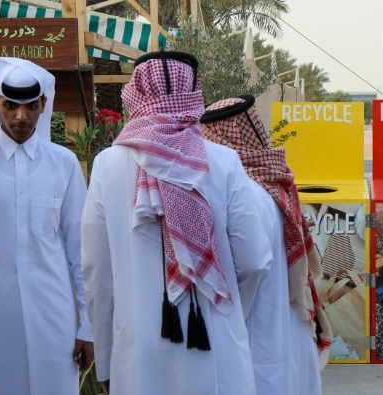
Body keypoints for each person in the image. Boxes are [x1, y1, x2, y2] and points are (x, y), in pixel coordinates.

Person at [81, 51, 272, 395]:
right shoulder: (225, 162)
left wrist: (106, 360)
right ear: (195, 89)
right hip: (217, 352)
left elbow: (97, 275)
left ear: (134, 93)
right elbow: (255, 261)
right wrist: (228, 314)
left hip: (138, 355)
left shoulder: (107, 166)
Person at [0, 57, 93, 395]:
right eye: (10, 105)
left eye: (30, 106)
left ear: (43, 105)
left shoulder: (63, 165)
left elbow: (81, 253)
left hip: (54, 322)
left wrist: (88, 326)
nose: (20, 117)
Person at [200, 95, 332, 395]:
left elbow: (252, 265)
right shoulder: (275, 182)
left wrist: (231, 316)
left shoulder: (246, 192)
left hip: (259, 329)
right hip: (288, 326)